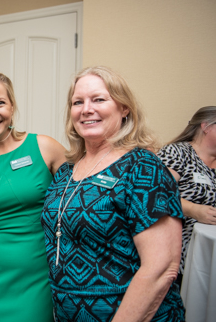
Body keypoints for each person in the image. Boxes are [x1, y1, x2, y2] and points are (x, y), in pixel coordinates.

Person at [41, 66, 185, 321]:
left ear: (124, 108)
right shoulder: (66, 172)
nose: (86, 109)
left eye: (98, 99)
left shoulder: (142, 166)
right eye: (78, 102)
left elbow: (162, 267)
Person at [0, 73, 66, 322]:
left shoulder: (44, 147)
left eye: (0, 103)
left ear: (12, 106)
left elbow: (81, 196)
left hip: (39, 277)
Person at [157, 106, 216, 286]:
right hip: (180, 250)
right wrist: (193, 210)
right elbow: (157, 194)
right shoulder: (177, 153)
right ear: (206, 126)